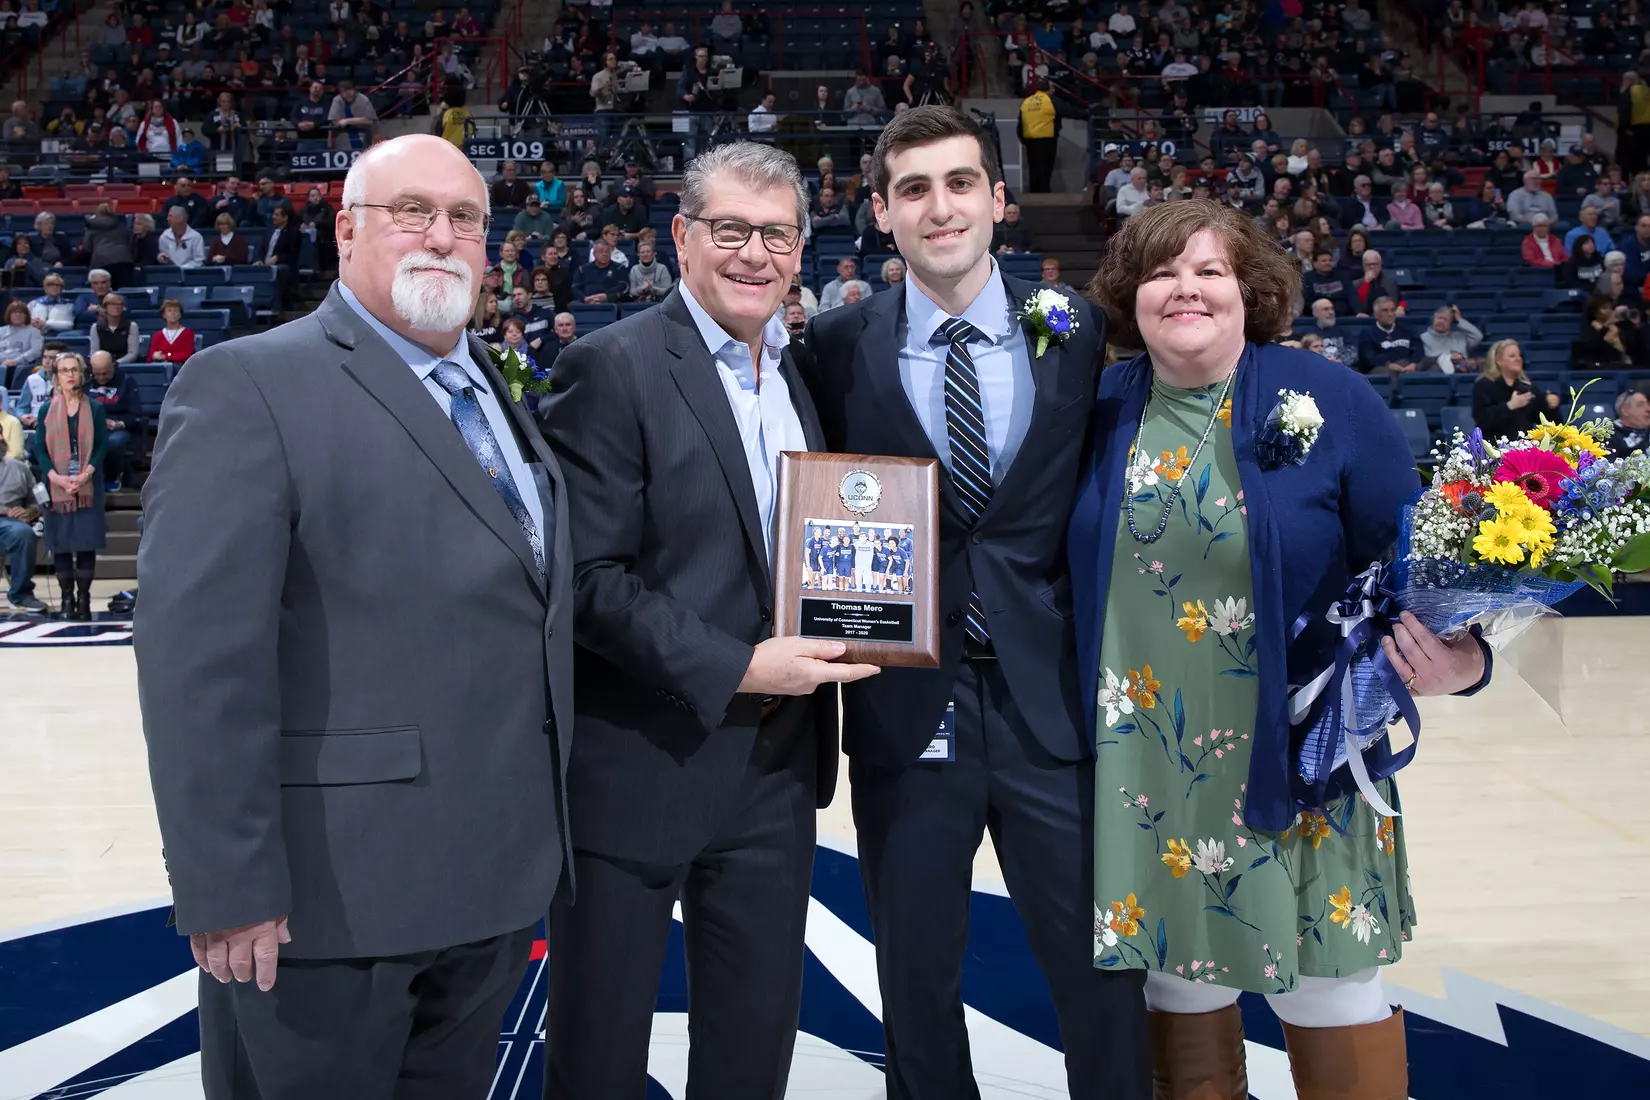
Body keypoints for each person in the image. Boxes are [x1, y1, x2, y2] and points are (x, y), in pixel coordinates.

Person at [136, 134, 573, 1100]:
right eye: (411, 211)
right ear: (346, 230)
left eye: (464, 218)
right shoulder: (249, 384)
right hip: (322, 910)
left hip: (486, 892)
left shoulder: (493, 390)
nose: (441, 236)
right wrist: (227, 885)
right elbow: (198, 663)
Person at [1076, 199, 1492, 1099]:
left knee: (1331, 989)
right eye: (1159, 272)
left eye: (1208, 271)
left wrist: (1467, 661)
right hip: (1146, 766)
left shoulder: (1330, 397)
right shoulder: (1099, 409)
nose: (1184, 288)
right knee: (1176, 983)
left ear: (1251, 290)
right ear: (1129, 295)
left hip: (1302, 758)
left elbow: (1420, 562)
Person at [795, 104, 1151, 1100]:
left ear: (998, 198)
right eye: (913, 189)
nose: (939, 207)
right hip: (909, 701)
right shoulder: (832, 346)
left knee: (1097, 963)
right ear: (880, 213)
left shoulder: (1076, 329)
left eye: (959, 184)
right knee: (914, 969)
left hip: (1051, 698)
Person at [539, 140, 863, 1099]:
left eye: (776, 235)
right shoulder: (610, 366)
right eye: (731, 230)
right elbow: (587, 580)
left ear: (802, 252)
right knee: (598, 1058)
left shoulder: (802, 379)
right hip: (639, 766)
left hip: (773, 775)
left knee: (754, 1051)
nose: (753, 254)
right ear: (682, 237)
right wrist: (741, 666)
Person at [29, 352, 107, 620]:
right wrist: (55, 477)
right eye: (64, 370)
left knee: (85, 541)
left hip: (88, 483)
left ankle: (84, 599)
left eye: (74, 369)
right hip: (56, 483)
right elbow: (39, 448)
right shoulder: (45, 410)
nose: (70, 375)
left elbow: (101, 446)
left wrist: (86, 474)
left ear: (81, 374)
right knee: (61, 542)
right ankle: (66, 599)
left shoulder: (94, 407)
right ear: (56, 377)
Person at [1473, 339, 1560, 437]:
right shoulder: (1484, 385)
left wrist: (1552, 407)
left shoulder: (1528, 388)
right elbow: (1483, 420)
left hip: (1524, 448)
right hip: (1494, 447)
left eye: (1519, 355)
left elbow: (1549, 424)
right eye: (1512, 356)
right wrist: (1510, 406)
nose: (1518, 359)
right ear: (1498, 361)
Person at [85, 350, 140, 490]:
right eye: (97, 374)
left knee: (113, 442)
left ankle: (111, 477)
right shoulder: (85, 382)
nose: (101, 377)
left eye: (105, 373)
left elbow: (135, 415)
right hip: (90, 426)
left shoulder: (127, 381)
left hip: (117, 427)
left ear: (113, 366)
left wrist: (117, 424)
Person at [0, 449, 46, 611]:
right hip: (7, 516)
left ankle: (21, 594)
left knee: (23, 533)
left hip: (11, 523)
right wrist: (6, 510)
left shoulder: (19, 467)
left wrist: (29, 512)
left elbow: (38, 500)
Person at [1357, 296, 1422, 373]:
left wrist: (1413, 363)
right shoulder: (1367, 333)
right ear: (1376, 315)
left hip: (1408, 365)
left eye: (1392, 310)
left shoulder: (1407, 328)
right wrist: (1388, 364)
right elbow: (1369, 357)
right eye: (1385, 311)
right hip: (1382, 367)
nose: (1390, 314)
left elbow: (1418, 348)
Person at [82, 204, 136, 290]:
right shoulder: (120, 224)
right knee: (125, 292)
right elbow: (129, 241)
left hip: (101, 261)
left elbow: (86, 248)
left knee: (101, 291)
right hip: (123, 261)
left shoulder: (91, 226)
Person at [1018, 77, 1059, 192]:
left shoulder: (1026, 101)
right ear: (1049, 89)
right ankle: (1044, 193)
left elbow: (1020, 124)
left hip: (1031, 140)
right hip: (1047, 139)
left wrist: (1024, 140)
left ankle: (1034, 192)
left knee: (1033, 168)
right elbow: (1069, 111)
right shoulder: (1050, 100)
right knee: (1046, 168)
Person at [1576, 295, 1637, 367]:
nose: (1609, 311)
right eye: (1604, 308)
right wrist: (1607, 324)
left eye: (1610, 308)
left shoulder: (1618, 327)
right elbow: (1593, 345)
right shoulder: (1590, 328)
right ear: (1594, 312)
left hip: (1621, 365)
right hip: (1601, 367)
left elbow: (1632, 347)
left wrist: (1630, 323)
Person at [1420, 305, 1484, 373]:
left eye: (1445, 320)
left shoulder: (1459, 337)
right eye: (1439, 318)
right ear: (1433, 319)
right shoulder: (1423, 338)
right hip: (1436, 373)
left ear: (1451, 323)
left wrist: (1459, 319)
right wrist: (1449, 358)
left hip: (1462, 372)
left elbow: (1478, 337)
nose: (1441, 322)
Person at [0, 300, 43, 387]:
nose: (18, 315)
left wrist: (16, 361)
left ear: (26, 316)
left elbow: (36, 350)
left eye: (21, 313)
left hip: (22, 367)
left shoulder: (33, 331)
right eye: (15, 312)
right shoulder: (1, 331)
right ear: (9, 315)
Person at [89, 293, 141, 365]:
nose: (116, 307)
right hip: (103, 365)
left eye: (119, 304)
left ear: (123, 307)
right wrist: (105, 364)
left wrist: (116, 363)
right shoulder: (96, 327)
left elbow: (132, 354)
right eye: (112, 304)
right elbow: (94, 353)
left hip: (125, 364)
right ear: (105, 307)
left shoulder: (131, 326)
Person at [149, 298, 195, 364]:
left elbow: (186, 355)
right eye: (169, 311)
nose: (173, 313)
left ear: (180, 315)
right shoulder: (157, 335)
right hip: (161, 365)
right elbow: (150, 357)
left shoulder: (188, 333)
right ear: (164, 315)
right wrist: (154, 356)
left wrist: (166, 356)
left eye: (176, 311)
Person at [627, 236, 673, 301]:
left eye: (648, 251)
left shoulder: (662, 268)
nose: (645, 254)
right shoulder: (634, 270)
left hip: (659, 303)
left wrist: (652, 289)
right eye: (642, 252)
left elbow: (668, 290)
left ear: (654, 254)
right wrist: (642, 289)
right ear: (638, 255)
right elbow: (631, 292)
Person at [1609, 389, 1650, 458]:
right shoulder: (1610, 436)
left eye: (1648, 404)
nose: (1648, 409)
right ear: (1625, 411)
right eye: (1640, 405)